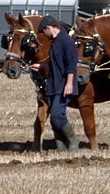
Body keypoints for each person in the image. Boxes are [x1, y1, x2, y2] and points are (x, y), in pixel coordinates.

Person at [29, 15, 80, 151]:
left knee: (57, 115)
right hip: (52, 84)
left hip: (63, 85)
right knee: (53, 119)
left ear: (49, 28)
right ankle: (61, 148)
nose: (44, 36)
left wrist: (69, 83)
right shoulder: (54, 43)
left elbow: (71, 65)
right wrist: (41, 66)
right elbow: (55, 64)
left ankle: (74, 141)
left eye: (43, 32)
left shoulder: (67, 41)